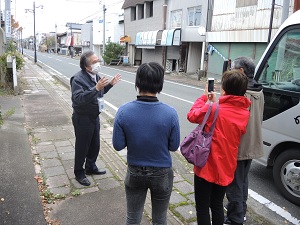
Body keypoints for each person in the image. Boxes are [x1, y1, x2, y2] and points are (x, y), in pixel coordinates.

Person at [112, 62, 180, 225]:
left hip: (135, 171)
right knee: (160, 219)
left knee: (133, 218)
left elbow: (118, 145)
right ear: (160, 84)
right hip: (162, 173)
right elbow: (173, 146)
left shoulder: (124, 111)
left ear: (137, 83)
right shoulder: (170, 113)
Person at [187, 70, 251, 225]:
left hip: (206, 165)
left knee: (202, 207)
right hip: (226, 166)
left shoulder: (214, 108)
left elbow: (192, 115)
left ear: (224, 89)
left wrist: (205, 98)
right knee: (217, 205)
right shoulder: (244, 112)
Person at [70, 50, 121, 186]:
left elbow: (100, 92)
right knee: (82, 146)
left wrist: (110, 84)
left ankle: (90, 167)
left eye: (98, 60)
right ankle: (79, 172)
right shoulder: (78, 79)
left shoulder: (95, 76)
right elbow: (78, 99)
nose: (98, 64)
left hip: (94, 116)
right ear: (86, 66)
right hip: (82, 118)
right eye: (94, 62)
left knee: (94, 144)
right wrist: (96, 88)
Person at [224, 57, 264, 225]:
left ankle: (236, 218)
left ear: (240, 71)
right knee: (243, 180)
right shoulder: (259, 90)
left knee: (234, 184)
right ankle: (241, 210)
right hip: (253, 142)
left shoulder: (241, 93)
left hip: (239, 145)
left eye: (233, 69)